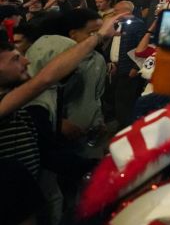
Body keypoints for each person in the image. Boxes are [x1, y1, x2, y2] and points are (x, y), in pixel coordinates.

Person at [0, 13, 127, 176]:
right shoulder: (16, 103)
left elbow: (47, 156)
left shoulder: (20, 106)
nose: (26, 61)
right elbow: (45, 79)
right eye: (15, 59)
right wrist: (99, 35)